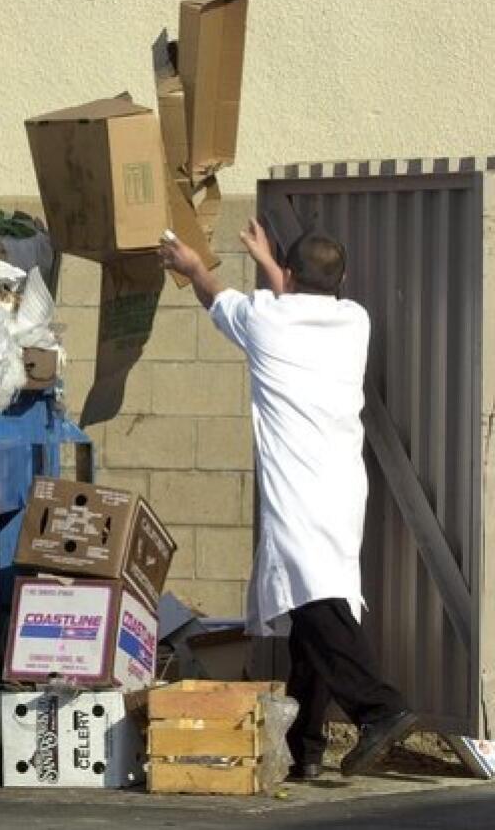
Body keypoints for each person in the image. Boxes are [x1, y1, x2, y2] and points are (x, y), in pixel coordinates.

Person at [160, 222, 416, 780]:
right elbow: (298, 302)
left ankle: (380, 708)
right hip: (344, 487)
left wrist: (193, 266)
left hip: (297, 490)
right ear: (341, 281)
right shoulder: (354, 321)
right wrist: (275, 266)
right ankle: (305, 748)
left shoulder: (262, 318)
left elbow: (211, 292)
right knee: (315, 606)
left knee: (313, 603)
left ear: (291, 277)